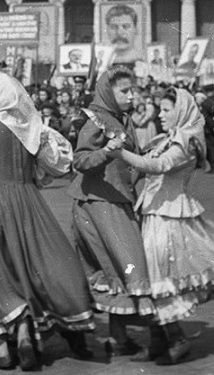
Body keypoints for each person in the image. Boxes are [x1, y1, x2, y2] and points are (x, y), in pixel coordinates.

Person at [0, 71, 94, 369]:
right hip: (26, 200)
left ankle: (4, 340)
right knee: (33, 261)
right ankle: (28, 326)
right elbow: (59, 164)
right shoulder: (34, 128)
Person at [116, 88, 214, 364]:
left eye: (167, 110)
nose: (161, 115)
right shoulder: (167, 138)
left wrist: (119, 153)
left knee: (159, 277)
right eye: (160, 110)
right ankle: (157, 340)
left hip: (169, 218)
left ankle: (176, 339)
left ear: (181, 111)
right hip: (154, 213)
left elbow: (156, 165)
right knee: (151, 275)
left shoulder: (186, 142)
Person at [68, 69, 155, 356]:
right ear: (108, 93)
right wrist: (106, 151)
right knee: (128, 263)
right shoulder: (96, 121)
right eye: (124, 91)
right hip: (98, 203)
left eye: (132, 90)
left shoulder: (122, 119)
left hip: (116, 200)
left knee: (121, 267)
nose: (132, 96)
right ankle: (152, 330)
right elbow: (79, 160)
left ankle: (119, 335)